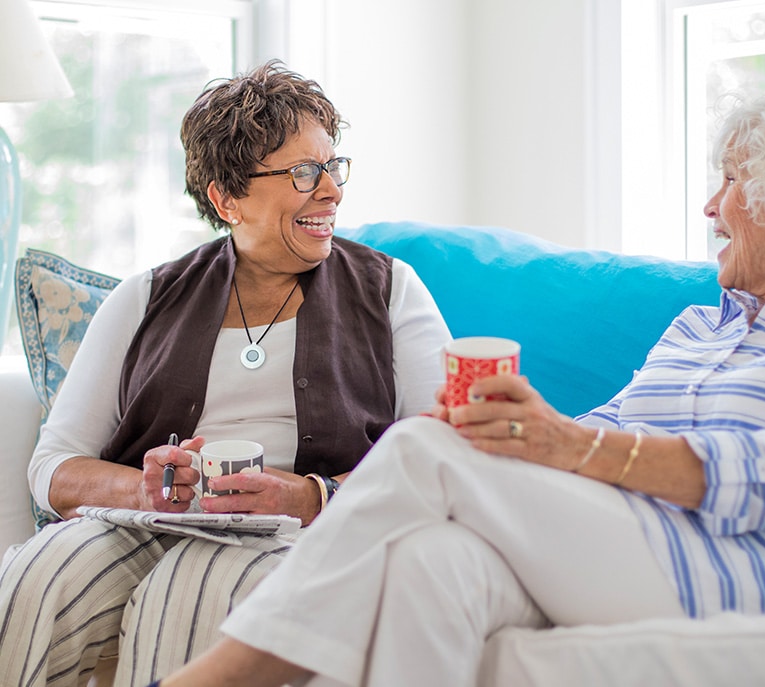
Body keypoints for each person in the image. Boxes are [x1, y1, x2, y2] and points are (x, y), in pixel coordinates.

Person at [152, 83, 765, 687]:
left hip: (757, 581)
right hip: (636, 549)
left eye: (731, 180)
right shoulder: (701, 326)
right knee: (433, 559)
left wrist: (559, 445)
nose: (710, 206)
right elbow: (594, 433)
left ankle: (214, 679)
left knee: (422, 447)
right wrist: (513, 429)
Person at [0, 60, 451, 687]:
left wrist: (312, 495)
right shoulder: (144, 297)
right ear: (226, 199)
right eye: (303, 172)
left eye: (333, 166)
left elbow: (441, 452)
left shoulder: (389, 290)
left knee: (190, 591)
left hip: (299, 532)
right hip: (145, 523)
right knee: (35, 577)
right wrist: (144, 491)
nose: (331, 191)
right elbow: (54, 466)